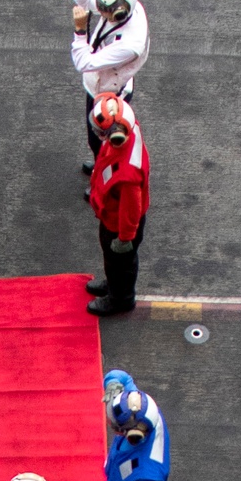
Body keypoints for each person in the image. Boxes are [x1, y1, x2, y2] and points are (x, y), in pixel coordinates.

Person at [70, 0, 149, 167]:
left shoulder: (129, 45)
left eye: (104, 9)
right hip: (101, 84)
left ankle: (104, 177)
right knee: (96, 139)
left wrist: (80, 31)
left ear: (118, 13)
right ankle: (100, 165)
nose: (100, 12)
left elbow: (83, 62)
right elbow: (82, 0)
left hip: (109, 93)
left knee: (102, 140)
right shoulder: (127, 7)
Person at [85, 94, 150, 317]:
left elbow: (131, 209)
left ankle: (121, 299)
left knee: (120, 261)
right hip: (112, 216)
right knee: (113, 262)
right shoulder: (130, 128)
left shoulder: (128, 174)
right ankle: (114, 284)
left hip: (118, 226)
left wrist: (124, 238)